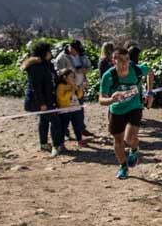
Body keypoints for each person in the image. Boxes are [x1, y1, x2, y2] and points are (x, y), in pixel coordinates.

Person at [100, 46, 153, 179]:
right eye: (121, 60)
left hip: (134, 107)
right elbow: (101, 100)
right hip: (116, 110)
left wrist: (150, 92)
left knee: (129, 138)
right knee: (118, 141)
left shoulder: (136, 69)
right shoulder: (108, 76)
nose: (125, 63)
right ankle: (123, 167)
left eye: (127, 59)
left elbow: (150, 72)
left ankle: (134, 149)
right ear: (114, 61)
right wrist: (111, 99)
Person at [21, 42, 58, 153]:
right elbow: (35, 87)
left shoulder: (47, 64)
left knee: (44, 120)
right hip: (41, 100)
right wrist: (42, 103)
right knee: (55, 121)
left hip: (49, 98)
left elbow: (53, 78)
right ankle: (57, 145)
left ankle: (44, 144)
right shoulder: (35, 67)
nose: (51, 53)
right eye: (49, 51)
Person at [56, 40, 92, 143]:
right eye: (75, 50)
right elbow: (58, 72)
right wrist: (70, 77)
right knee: (66, 116)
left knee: (79, 111)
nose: (76, 53)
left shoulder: (81, 55)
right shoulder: (62, 58)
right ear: (70, 47)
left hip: (78, 86)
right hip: (67, 88)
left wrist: (84, 70)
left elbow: (89, 66)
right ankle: (65, 134)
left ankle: (81, 131)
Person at [52, 68, 79, 153]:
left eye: (74, 77)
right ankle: (60, 144)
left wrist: (79, 88)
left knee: (69, 126)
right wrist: (72, 91)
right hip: (64, 110)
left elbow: (78, 95)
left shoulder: (72, 85)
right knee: (62, 128)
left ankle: (64, 143)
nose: (73, 79)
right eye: (71, 77)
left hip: (72, 109)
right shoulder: (61, 86)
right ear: (64, 77)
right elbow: (61, 98)